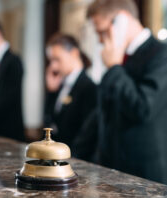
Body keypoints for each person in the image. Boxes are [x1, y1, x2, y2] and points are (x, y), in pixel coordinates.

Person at [88, 0, 167, 184]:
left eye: (102, 31)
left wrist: (114, 67)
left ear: (122, 20)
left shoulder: (161, 55)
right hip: (110, 169)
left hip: (144, 175)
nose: (100, 40)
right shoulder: (116, 56)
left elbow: (143, 108)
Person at [44, 34, 97, 161]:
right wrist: (51, 92)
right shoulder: (59, 86)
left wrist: (69, 159)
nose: (53, 66)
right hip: (56, 158)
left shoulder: (89, 87)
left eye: (57, 59)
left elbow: (87, 134)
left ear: (74, 53)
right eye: (51, 61)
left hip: (74, 160)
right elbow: (50, 122)